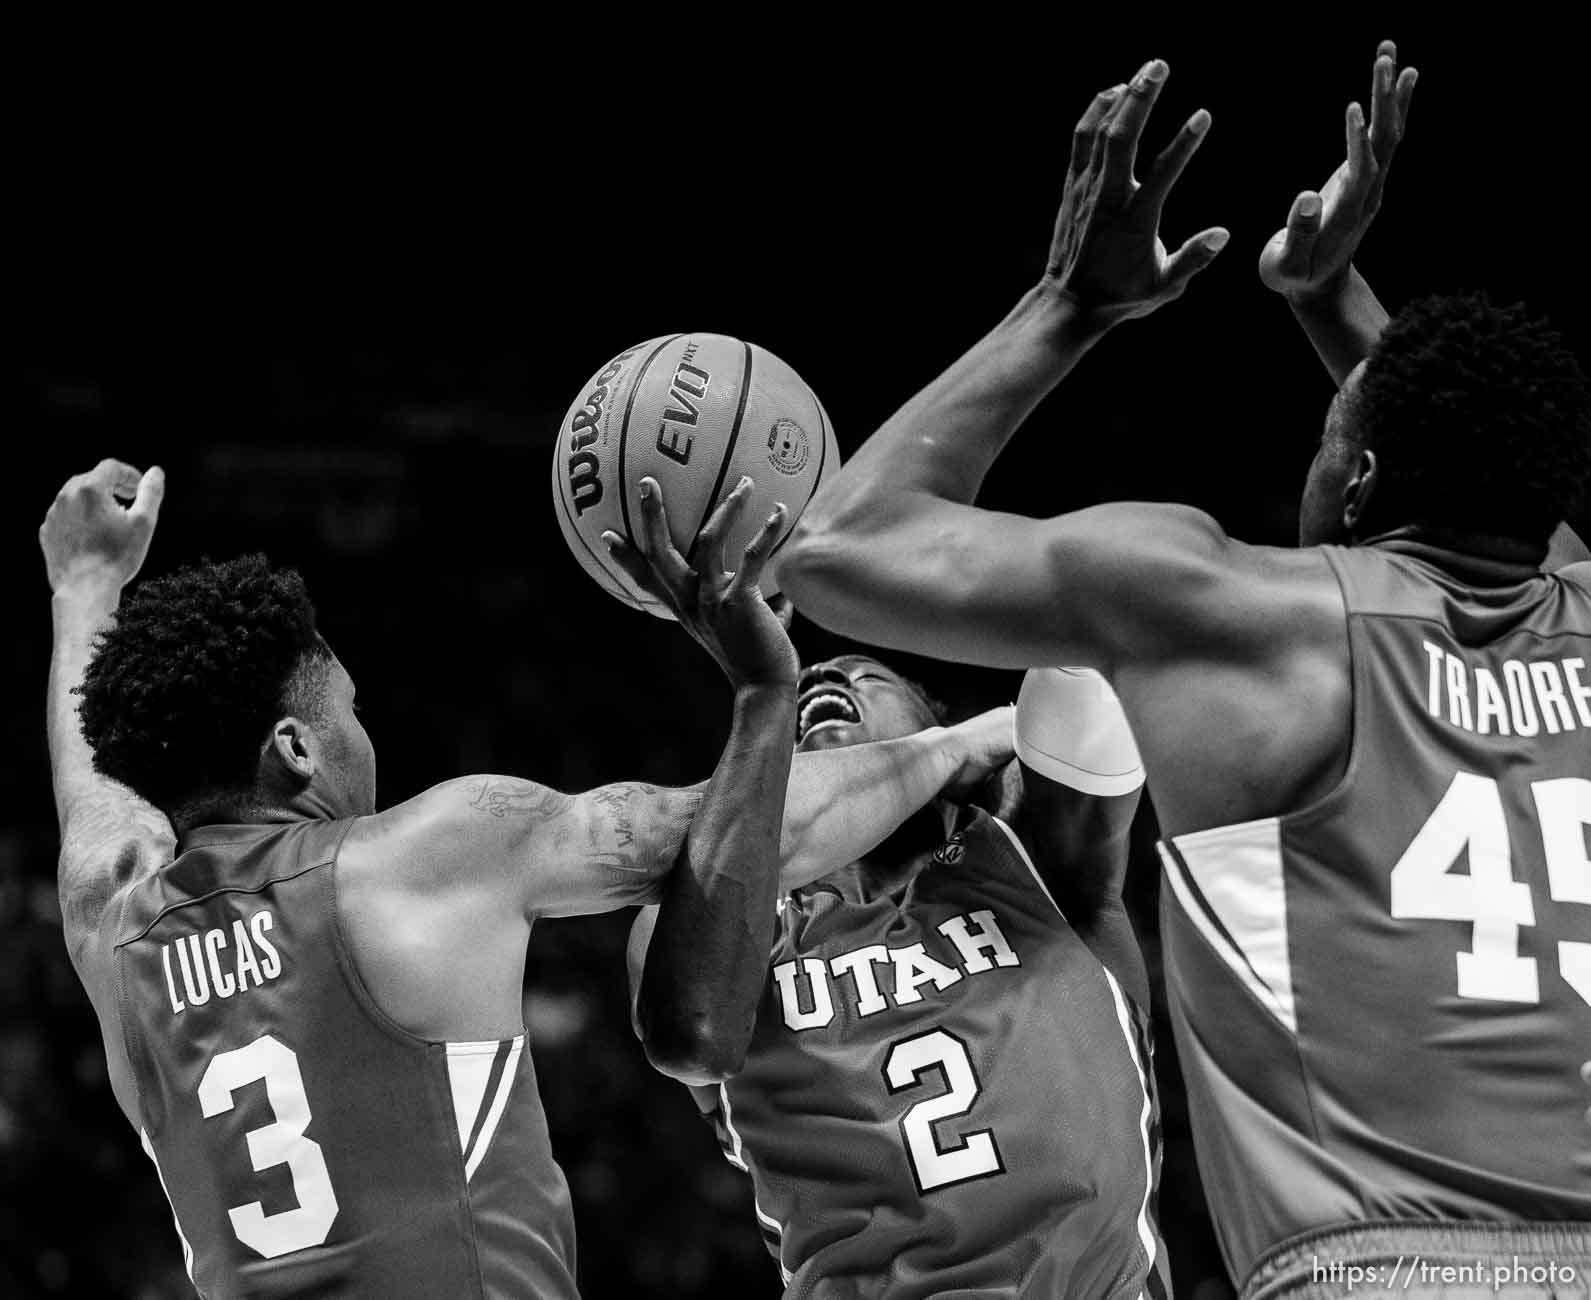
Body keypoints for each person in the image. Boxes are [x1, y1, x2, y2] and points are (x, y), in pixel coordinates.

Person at [779, 39, 1591, 1299]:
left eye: (1335, 438)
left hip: (1390, 1262)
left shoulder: (1239, 618)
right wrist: (1329, 300)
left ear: (1361, 478)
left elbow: (836, 548)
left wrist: (1072, 301)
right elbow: (1501, 484)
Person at [41, 461, 1011, 1298]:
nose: (362, 736)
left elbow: (99, 812)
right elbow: (741, 831)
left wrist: (83, 589)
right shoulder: (424, 855)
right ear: (295, 746)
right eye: (350, 711)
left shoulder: (113, 935)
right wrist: (953, 743)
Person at [627, 651, 1170, 1300]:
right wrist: (942, 747)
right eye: (802, 690)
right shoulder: (738, 929)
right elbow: (688, 1032)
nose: (821, 678)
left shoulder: (1032, 850)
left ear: (930, 721)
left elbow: (1082, 661)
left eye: (867, 676)